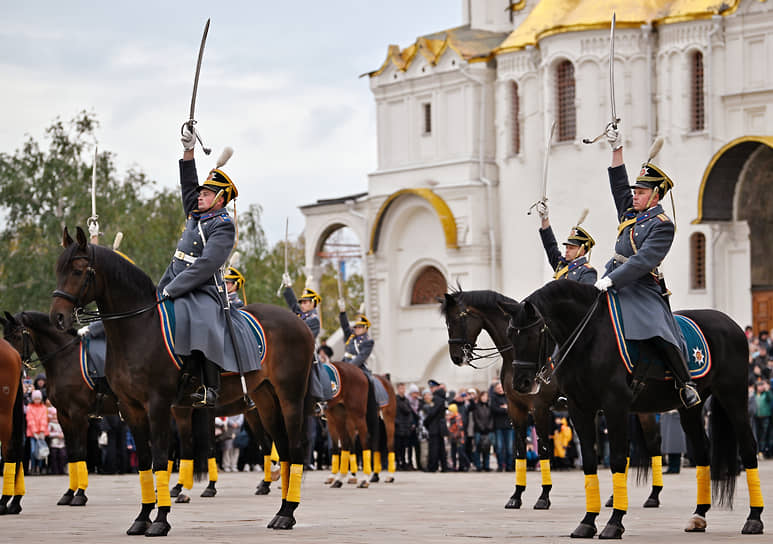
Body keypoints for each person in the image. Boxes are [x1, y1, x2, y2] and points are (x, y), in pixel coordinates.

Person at [595, 123, 700, 409]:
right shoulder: (631, 213)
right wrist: (616, 150)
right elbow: (618, 185)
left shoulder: (663, 226)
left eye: (640, 192)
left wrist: (614, 280)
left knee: (656, 327)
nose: (634, 195)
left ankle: (684, 382)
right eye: (636, 191)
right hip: (611, 278)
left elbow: (644, 261)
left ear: (655, 195)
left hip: (641, 286)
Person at [158, 125, 238, 407]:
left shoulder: (224, 226)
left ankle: (210, 387)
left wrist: (175, 287)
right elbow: (189, 185)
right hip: (173, 275)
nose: (199, 197)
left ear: (219, 199)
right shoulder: (197, 214)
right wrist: (188, 151)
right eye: (201, 194)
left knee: (203, 323)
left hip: (202, 286)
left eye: (207, 194)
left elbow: (206, 265)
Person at [536, 203, 597, 284]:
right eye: (567, 247)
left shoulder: (587, 271)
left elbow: (586, 296)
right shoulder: (561, 265)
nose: (567, 251)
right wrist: (545, 219)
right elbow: (550, 246)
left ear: (582, 250)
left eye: (571, 248)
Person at [26, 389, 49, 475]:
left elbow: (44, 419)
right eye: (35, 398)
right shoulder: (29, 407)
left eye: (38, 398)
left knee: (41, 451)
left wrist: (42, 431)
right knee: (33, 451)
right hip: (33, 434)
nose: (37, 400)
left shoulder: (43, 408)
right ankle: (32, 466)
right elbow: (30, 420)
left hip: (42, 434)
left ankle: (38, 467)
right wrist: (35, 432)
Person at [47, 406, 67, 475]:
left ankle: (62, 470)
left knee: (63, 456)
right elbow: (48, 433)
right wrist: (56, 435)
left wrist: (62, 435)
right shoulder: (50, 424)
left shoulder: (62, 423)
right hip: (54, 443)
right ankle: (55, 471)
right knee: (54, 457)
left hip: (62, 444)